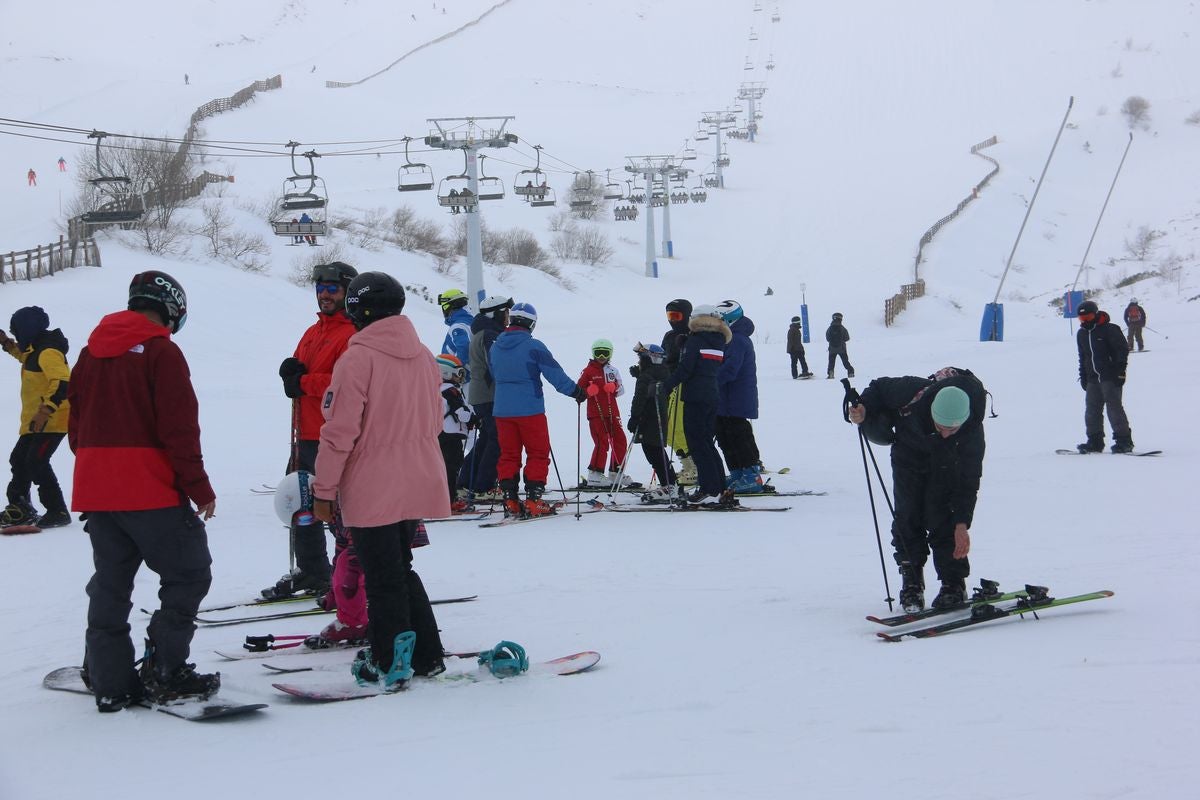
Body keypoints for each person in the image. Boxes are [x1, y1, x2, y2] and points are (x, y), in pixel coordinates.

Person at [70, 270, 219, 711]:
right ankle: (165, 669)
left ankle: (108, 677)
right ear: (173, 310)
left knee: (111, 583)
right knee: (189, 572)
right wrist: (199, 487)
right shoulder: (161, 352)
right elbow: (179, 429)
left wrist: (98, 468)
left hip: (97, 490)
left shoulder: (89, 352)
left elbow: (75, 425)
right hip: (149, 489)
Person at [312, 271, 448, 690]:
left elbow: (339, 433)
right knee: (401, 567)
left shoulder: (358, 358)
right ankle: (427, 653)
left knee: (383, 574)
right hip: (418, 475)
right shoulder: (423, 354)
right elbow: (435, 420)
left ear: (357, 308)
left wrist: (323, 490)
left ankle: (389, 657)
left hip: (372, 483)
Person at [848, 368, 987, 612]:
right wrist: (863, 408)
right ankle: (911, 581)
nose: (945, 433)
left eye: (952, 429)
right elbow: (878, 387)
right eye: (940, 425)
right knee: (907, 517)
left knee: (944, 518)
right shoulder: (914, 392)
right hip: (908, 457)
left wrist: (962, 523)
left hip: (946, 466)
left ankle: (953, 583)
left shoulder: (972, 432)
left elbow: (968, 480)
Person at [266, 262, 358, 600]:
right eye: (320, 288)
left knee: (333, 508)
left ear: (348, 291)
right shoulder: (314, 331)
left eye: (332, 289)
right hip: (304, 432)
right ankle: (312, 568)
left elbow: (343, 383)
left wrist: (301, 381)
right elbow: (301, 373)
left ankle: (347, 573)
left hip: (331, 436)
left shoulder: (352, 333)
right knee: (300, 503)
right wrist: (290, 372)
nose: (324, 295)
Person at [488, 302, 587, 518]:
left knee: (509, 454)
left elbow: (494, 373)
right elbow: (555, 375)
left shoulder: (495, 346)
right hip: (529, 409)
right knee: (538, 453)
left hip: (502, 410)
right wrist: (576, 392)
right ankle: (534, 500)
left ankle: (510, 499)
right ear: (531, 324)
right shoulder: (534, 346)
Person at [0, 307, 71, 528]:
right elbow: (25, 357)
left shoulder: (49, 351)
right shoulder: (35, 350)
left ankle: (57, 511)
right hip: (35, 423)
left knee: (36, 462)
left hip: (53, 420)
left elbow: (62, 381)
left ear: (27, 328)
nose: (17, 334)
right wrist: (7, 344)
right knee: (18, 460)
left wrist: (45, 411)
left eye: (17, 330)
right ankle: (20, 507)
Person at [661, 305, 733, 504]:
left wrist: (664, 386)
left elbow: (686, 369)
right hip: (711, 395)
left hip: (694, 396)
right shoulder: (718, 340)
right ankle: (720, 487)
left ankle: (709, 488)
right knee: (707, 443)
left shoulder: (695, 341)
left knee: (698, 444)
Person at [459, 295, 512, 508]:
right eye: (506, 312)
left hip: (482, 395)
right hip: (490, 395)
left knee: (487, 438)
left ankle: (466, 482)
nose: (509, 316)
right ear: (496, 313)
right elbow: (495, 363)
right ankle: (483, 486)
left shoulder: (484, 331)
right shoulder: (490, 334)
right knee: (497, 439)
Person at [714, 300, 763, 493]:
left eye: (719, 320)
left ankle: (751, 475)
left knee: (739, 435)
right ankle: (737, 473)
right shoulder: (728, 338)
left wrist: (708, 379)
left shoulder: (738, 339)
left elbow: (730, 370)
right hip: (724, 398)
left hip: (737, 398)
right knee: (725, 435)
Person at [1075, 300, 1133, 453]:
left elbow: (1122, 351)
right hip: (1093, 379)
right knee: (1091, 410)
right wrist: (1084, 376)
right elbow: (1083, 357)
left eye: (1088, 317)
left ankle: (1124, 441)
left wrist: (1120, 372)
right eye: (1082, 319)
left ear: (1095, 314)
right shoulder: (1082, 334)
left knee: (1114, 409)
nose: (1085, 321)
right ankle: (1095, 441)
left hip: (1110, 376)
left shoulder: (1109, 329)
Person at [578, 338, 631, 487]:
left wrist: (613, 388)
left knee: (620, 440)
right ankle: (595, 473)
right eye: (598, 353)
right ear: (593, 354)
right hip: (596, 412)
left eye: (605, 353)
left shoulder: (613, 371)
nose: (601, 357)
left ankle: (615, 472)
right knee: (602, 442)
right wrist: (588, 391)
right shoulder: (588, 371)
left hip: (612, 411)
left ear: (610, 354)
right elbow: (578, 391)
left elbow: (621, 389)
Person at [627, 344, 676, 500]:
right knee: (656, 450)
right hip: (658, 417)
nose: (639, 361)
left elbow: (640, 398)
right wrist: (640, 374)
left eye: (641, 358)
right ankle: (670, 483)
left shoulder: (646, 376)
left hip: (648, 419)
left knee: (653, 452)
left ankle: (669, 485)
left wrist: (634, 418)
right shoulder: (662, 372)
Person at [661, 299, 695, 484]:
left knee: (680, 427)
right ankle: (687, 464)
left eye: (677, 316)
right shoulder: (669, 336)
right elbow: (663, 358)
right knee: (668, 429)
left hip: (684, 386)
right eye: (669, 316)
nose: (673, 320)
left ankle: (694, 466)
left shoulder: (693, 335)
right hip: (668, 385)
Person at [436, 353, 473, 507]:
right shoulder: (451, 391)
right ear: (446, 372)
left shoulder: (435, 388)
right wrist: (473, 419)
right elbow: (461, 412)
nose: (461, 378)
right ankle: (449, 500)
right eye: (459, 373)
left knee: (441, 465)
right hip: (451, 434)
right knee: (452, 466)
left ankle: (439, 498)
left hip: (437, 433)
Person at [437, 289, 473, 384]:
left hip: (460, 380)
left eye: (444, 307)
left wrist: (455, 372)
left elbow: (464, 347)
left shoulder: (458, 326)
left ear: (450, 306)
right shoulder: (470, 323)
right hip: (470, 378)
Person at [825, 312, 854, 379]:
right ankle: (850, 372)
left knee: (831, 362)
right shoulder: (842, 328)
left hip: (832, 349)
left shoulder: (830, 328)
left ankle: (830, 373)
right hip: (842, 349)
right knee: (845, 361)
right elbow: (847, 338)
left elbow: (827, 338)